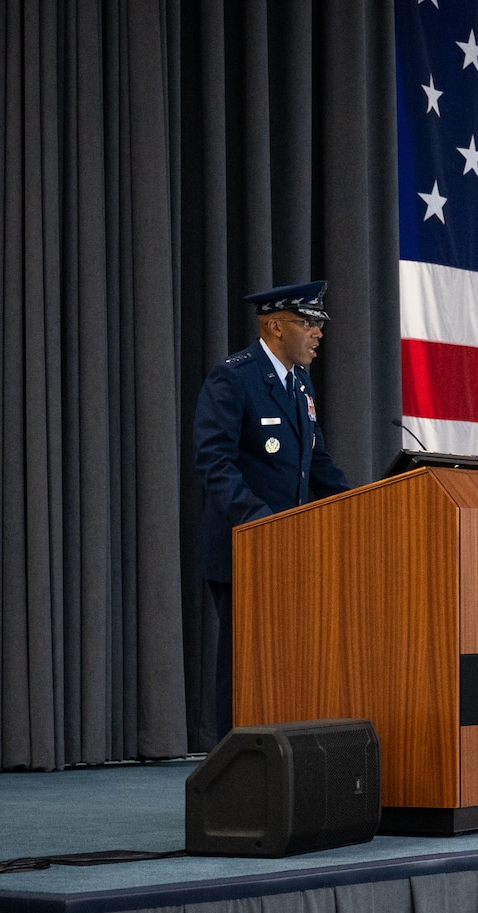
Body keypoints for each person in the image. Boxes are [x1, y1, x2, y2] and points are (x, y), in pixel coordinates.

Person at [192, 281, 352, 742]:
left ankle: (278, 763)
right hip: (246, 548)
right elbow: (214, 461)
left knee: (287, 664)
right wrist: (260, 520)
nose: (319, 332)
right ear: (275, 326)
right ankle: (231, 766)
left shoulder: (299, 381)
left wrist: (360, 504)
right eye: (309, 322)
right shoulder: (235, 377)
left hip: (291, 551)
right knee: (244, 665)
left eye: (319, 323)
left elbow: (316, 462)